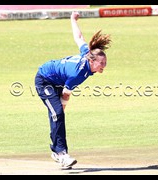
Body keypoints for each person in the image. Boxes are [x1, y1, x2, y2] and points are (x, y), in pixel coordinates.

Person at [34, 11, 112, 169]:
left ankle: (57, 151)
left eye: (105, 62)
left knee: (57, 115)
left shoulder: (87, 54)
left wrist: (73, 19)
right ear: (93, 61)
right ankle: (62, 154)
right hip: (44, 81)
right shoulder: (78, 73)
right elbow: (66, 95)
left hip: (56, 81)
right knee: (57, 113)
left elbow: (79, 37)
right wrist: (61, 109)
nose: (104, 66)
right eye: (101, 63)